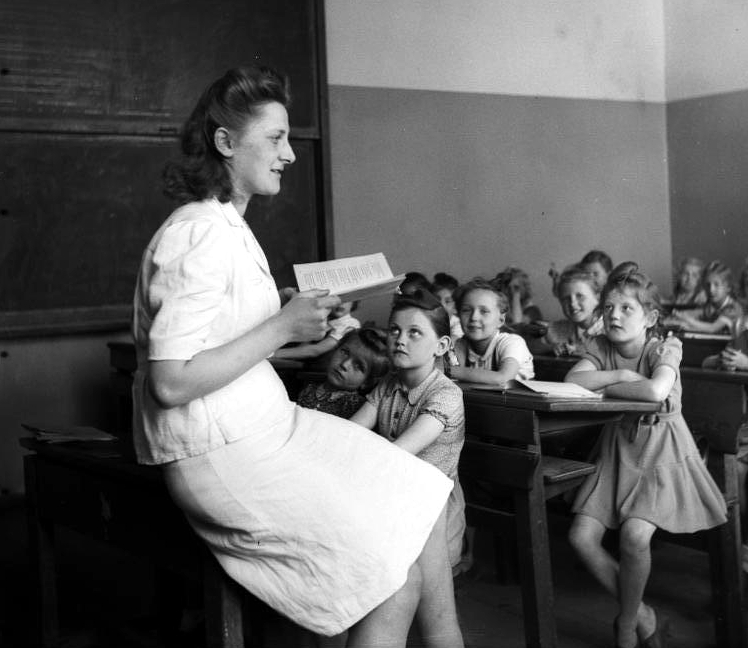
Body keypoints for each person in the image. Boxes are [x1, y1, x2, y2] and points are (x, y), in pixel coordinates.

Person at [131, 66, 463, 647]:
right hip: (226, 457)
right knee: (393, 577)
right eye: (276, 138)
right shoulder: (199, 232)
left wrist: (285, 316)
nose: (289, 153)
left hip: (268, 432)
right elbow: (171, 382)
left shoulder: (227, 226)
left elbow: (221, 335)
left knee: (419, 491)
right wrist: (283, 324)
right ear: (226, 143)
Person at [564, 266, 727, 648]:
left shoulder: (664, 347)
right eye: (608, 308)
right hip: (618, 447)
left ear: (650, 318)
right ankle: (641, 614)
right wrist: (621, 376)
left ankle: (624, 625)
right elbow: (573, 381)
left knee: (635, 536)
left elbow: (656, 392)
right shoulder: (601, 347)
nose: (614, 315)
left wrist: (610, 383)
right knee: (580, 537)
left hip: (662, 450)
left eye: (626, 308)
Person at [351, 290, 466, 572]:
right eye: (394, 330)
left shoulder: (447, 395)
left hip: (431, 516)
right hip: (391, 498)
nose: (400, 340)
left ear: (441, 346)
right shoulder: (389, 384)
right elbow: (350, 433)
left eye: (414, 333)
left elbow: (398, 454)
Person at [450, 278, 534, 386]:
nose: (474, 317)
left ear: (501, 320)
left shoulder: (512, 342)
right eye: (466, 310)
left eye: (484, 311)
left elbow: (504, 379)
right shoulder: (460, 345)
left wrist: (449, 370)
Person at [296, 327, 389, 418]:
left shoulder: (354, 407)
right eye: (344, 352)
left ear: (367, 382)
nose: (344, 364)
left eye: (358, 366)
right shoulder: (310, 387)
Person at [539, 264, 603, 357]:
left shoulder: (609, 329)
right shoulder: (561, 329)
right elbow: (530, 343)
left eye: (580, 296)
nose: (572, 303)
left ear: (597, 298)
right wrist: (551, 347)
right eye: (566, 298)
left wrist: (578, 349)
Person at [669, 260, 743, 334]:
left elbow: (712, 328)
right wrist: (677, 317)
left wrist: (688, 320)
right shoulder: (711, 306)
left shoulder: (732, 308)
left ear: (728, 287)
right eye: (708, 285)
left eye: (716, 285)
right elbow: (697, 313)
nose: (711, 289)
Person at [274, 300, 360, 361]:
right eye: (338, 298)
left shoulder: (351, 323)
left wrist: (274, 354)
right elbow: (302, 347)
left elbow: (315, 350)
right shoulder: (325, 319)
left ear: (354, 303)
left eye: (348, 299)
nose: (341, 303)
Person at [431, 271, 463, 340]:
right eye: (437, 299)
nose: (441, 304)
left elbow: (452, 342)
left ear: (455, 308)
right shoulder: (429, 319)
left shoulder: (458, 324)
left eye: (447, 301)